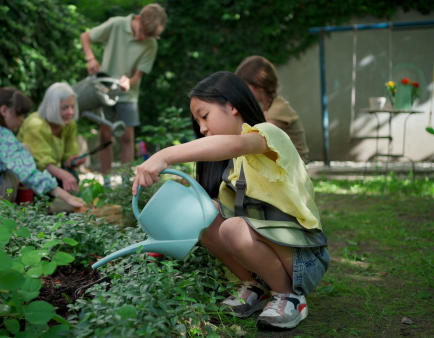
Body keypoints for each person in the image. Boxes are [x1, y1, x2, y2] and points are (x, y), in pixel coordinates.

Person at [132, 71, 329, 329]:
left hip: (303, 258)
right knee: (206, 212)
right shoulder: (234, 166)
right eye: (198, 121)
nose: (202, 128)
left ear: (232, 106)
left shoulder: (268, 135)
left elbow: (235, 145)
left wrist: (165, 155)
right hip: (273, 254)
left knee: (233, 228)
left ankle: (290, 296)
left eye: (205, 116)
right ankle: (255, 287)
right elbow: (213, 209)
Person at [0, 86, 85, 210]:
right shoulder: (0, 135)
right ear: (4, 110)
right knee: (25, 150)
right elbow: (28, 172)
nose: (22, 120)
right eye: (19, 114)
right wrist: (67, 197)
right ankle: (25, 209)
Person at [79, 3, 168, 180]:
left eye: (148, 36)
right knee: (105, 135)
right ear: (137, 19)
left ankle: (127, 183)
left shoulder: (150, 43)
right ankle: (106, 181)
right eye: (142, 32)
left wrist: (129, 82)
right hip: (104, 90)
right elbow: (85, 36)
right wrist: (90, 59)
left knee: (127, 137)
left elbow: (138, 76)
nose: (143, 37)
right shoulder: (117, 24)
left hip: (128, 95)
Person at [235, 55, 310, 163]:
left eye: (245, 86)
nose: (242, 91)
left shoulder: (278, 110)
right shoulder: (269, 107)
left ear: (260, 85)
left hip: (293, 171)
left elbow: (256, 139)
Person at [17, 82, 84, 194]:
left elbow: (68, 155)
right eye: (65, 108)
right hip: (29, 176)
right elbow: (41, 162)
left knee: (72, 176)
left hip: (49, 173)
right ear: (52, 107)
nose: (71, 112)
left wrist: (72, 161)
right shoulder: (35, 124)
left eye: (72, 107)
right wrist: (64, 175)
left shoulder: (69, 125)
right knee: (67, 178)